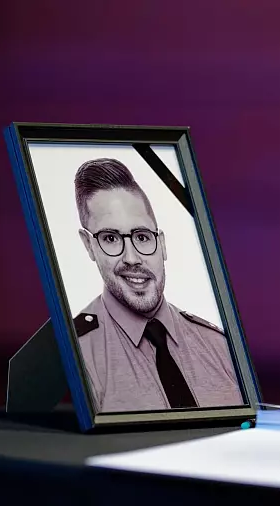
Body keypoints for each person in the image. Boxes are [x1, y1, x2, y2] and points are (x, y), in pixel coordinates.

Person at [73, 158, 243, 413]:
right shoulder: (76, 357)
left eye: (142, 237)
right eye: (110, 238)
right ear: (89, 246)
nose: (132, 258)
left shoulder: (221, 346)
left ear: (161, 243)